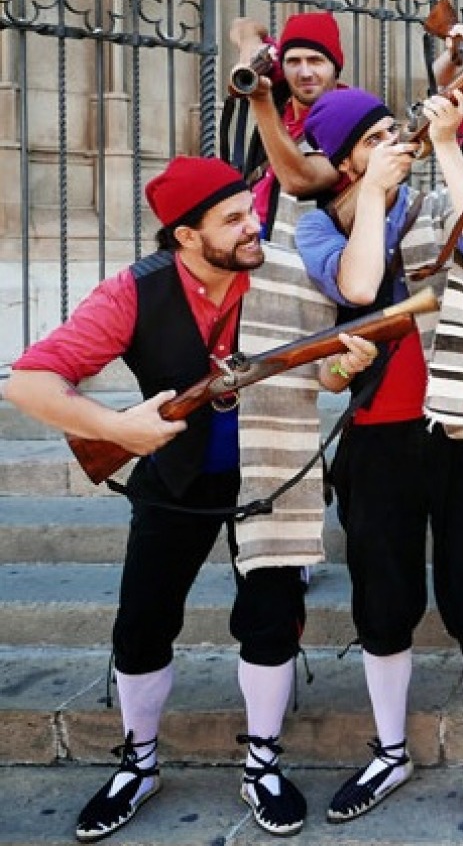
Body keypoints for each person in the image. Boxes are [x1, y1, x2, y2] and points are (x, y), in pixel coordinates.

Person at [4, 157, 371, 840]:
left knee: (270, 619)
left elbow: (325, 376)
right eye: (231, 219)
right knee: (142, 622)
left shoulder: (281, 272)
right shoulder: (133, 293)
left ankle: (262, 763)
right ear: (184, 235)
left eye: (248, 209)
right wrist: (115, 428)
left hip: (268, 475)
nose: (251, 223)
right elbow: (27, 382)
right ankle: (138, 764)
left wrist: (345, 367)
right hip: (172, 477)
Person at [293, 88, 463, 844]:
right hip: (378, 438)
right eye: (376, 137)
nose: (398, 141)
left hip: (459, 428)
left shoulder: (434, 200)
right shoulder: (315, 223)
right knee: (382, 603)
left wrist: (452, 143)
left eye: (398, 130)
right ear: (343, 159)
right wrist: (372, 198)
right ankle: (389, 752)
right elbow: (358, 287)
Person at [228, 11, 348, 227]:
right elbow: (243, 24)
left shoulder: (348, 114)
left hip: (299, 250)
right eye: (293, 62)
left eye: (315, 61)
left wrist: (261, 99)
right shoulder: (284, 91)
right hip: (251, 233)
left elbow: (299, 181)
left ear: (335, 67)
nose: (304, 73)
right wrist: (249, 52)